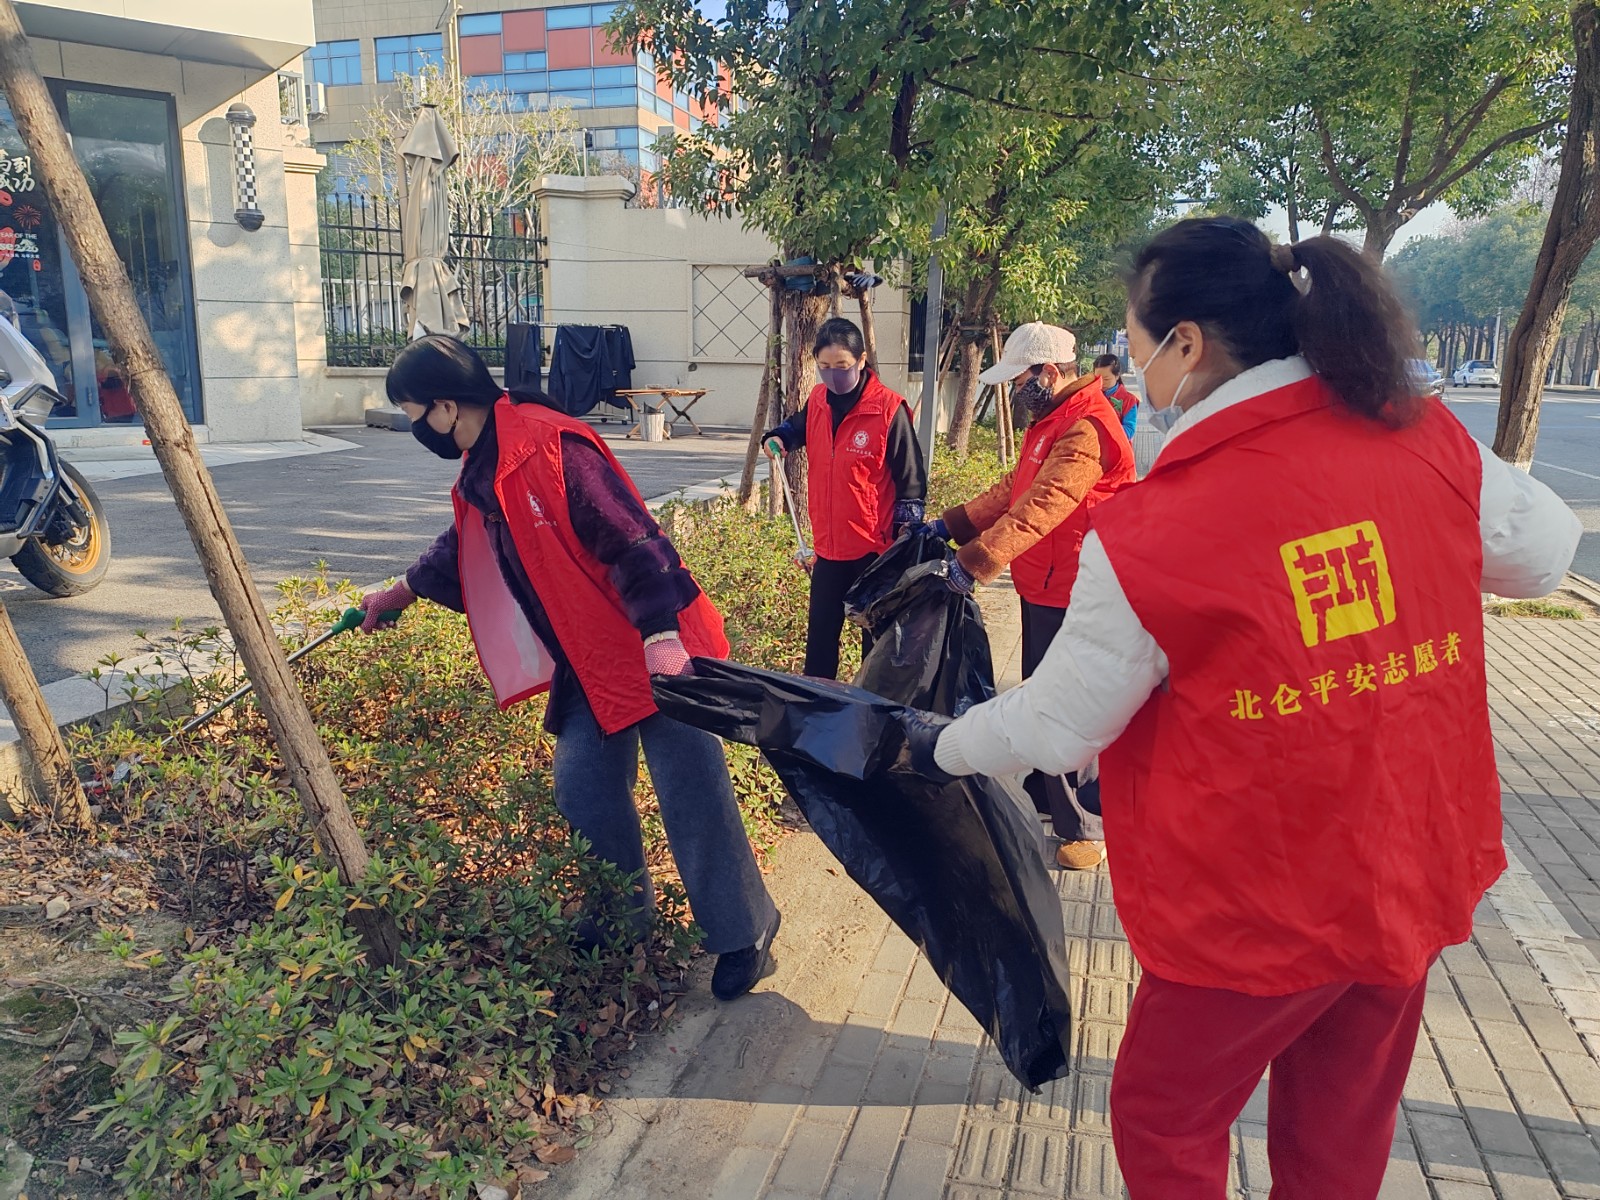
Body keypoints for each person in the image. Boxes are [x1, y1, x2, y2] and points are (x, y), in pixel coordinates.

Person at [910, 217, 1582, 1195]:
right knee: (1341, 1133)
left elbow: (1059, 724)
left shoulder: (1158, 526)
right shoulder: (1422, 436)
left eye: (1135, 342)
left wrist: (936, 744)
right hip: (1407, 870)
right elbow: (1545, 557)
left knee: (1164, 1116)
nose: (1131, 366)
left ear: (1186, 343)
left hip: (1257, 901)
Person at [361, 336, 780, 1002]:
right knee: (583, 786)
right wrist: (399, 594)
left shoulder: (549, 446)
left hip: (656, 646)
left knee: (691, 794)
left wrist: (663, 635)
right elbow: (460, 549)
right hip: (589, 657)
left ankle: (744, 934)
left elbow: (635, 540)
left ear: (444, 406)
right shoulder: (484, 463)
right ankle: (622, 914)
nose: (414, 426)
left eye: (413, 412)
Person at [928, 322, 1136, 871]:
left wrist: (975, 562)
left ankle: (1087, 824)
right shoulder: (1052, 420)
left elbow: (1047, 502)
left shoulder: (1085, 425)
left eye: (1018, 379)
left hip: (1078, 585)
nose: (1013, 390)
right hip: (1045, 582)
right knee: (1046, 690)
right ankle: (1051, 789)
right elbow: (1013, 489)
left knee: (1071, 699)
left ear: (1047, 372)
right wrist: (951, 525)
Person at [763, 317, 928, 680]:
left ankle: (872, 710)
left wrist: (903, 543)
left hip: (873, 547)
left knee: (876, 638)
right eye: (824, 367)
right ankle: (817, 708)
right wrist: (779, 437)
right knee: (821, 637)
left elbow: (912, 481)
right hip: (829, 546)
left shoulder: (888, 409)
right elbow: (797, 426)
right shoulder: (819, 399)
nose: (833, 375)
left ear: (861, 359)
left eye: (842, 366)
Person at [1093, 352, 1140, 441]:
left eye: (1106, 379)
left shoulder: (1129, 400)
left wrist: (1104, 429)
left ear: (1117, 376)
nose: (1101, 383)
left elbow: (1129, 430)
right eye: (1097, 379)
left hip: (1116, 451)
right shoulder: (1090, 396)